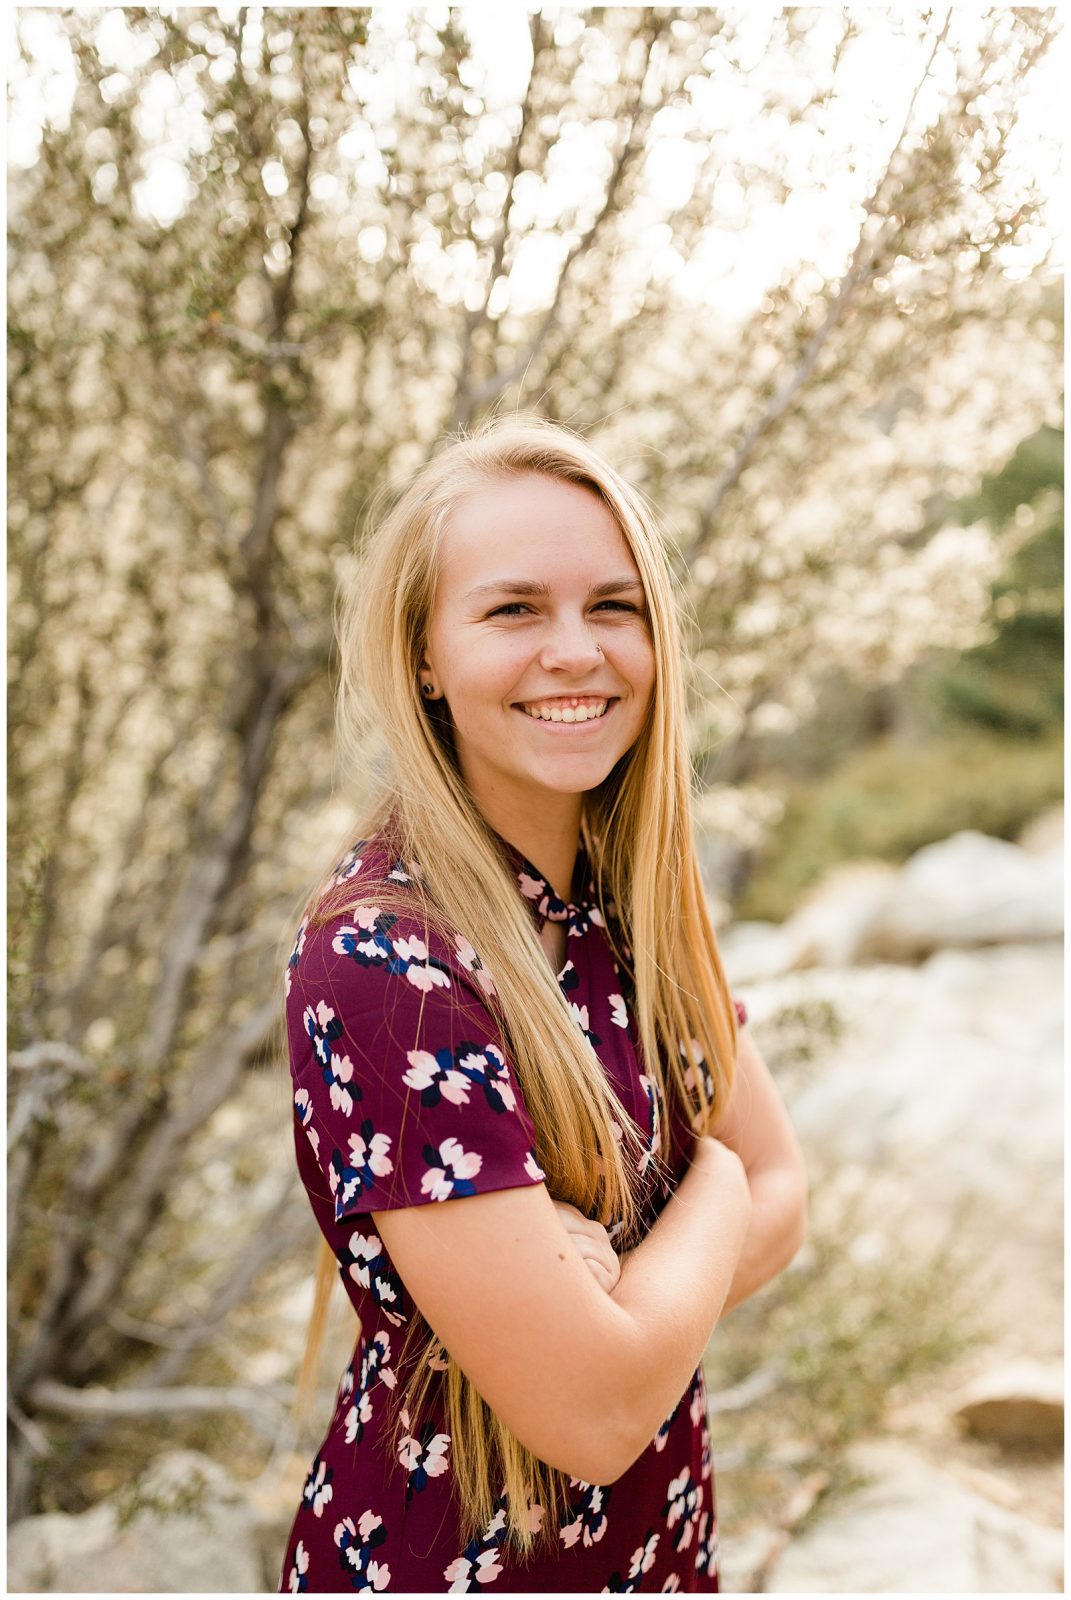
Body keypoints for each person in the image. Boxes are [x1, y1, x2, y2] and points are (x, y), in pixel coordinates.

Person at [278, 416, 807, 1594]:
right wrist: (709, 1184)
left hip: (661, 1553)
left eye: (612, 607)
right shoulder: (385, 961)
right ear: (425, 652)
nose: (576, 651)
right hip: (458, 1565)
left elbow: (788, 1200)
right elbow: (595, 1408)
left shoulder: (640, 899)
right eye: (514, 610)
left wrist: (627, 1278)